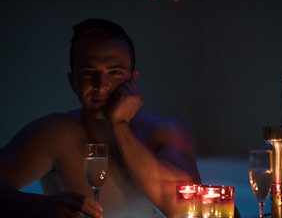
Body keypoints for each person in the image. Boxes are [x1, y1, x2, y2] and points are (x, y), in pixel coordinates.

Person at [0, 19, 201, 218]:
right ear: (73, 81)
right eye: (89, 72)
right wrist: (30, 204)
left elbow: (187, 209)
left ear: (133, 78)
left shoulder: (166, 131)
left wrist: (119, 125)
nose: (101, 84)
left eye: (114, 72)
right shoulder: (55, 134)